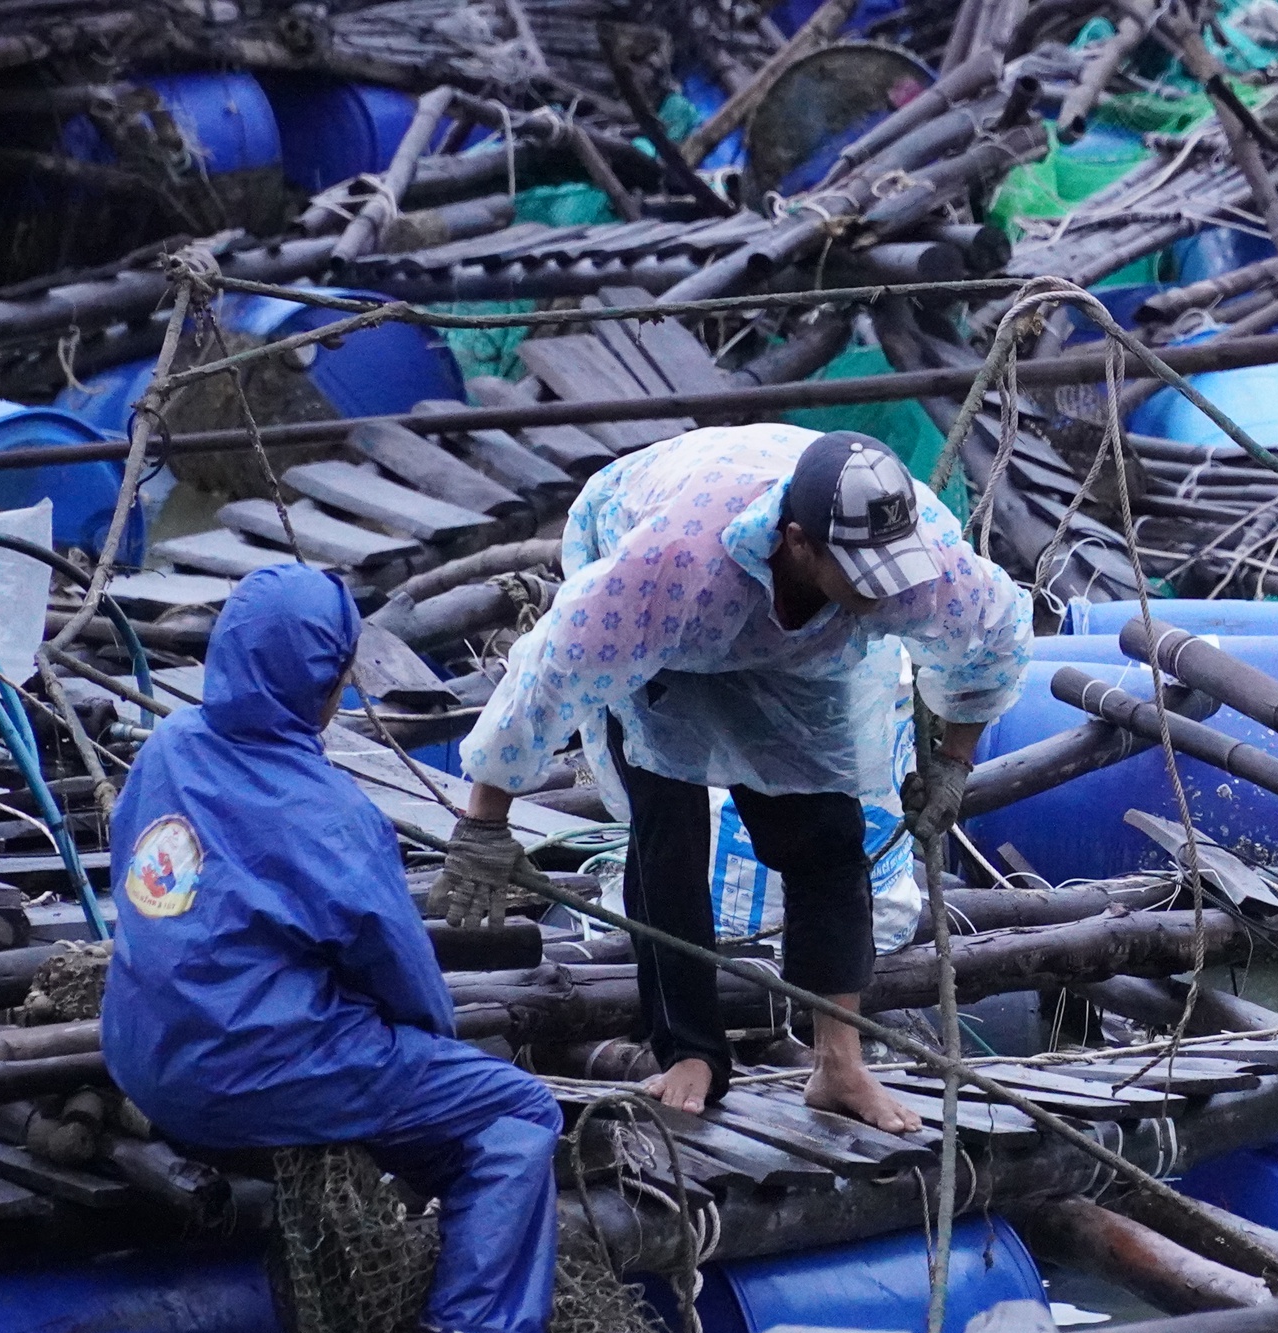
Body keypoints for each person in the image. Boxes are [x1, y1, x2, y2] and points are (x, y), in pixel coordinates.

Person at [429, 425, 1032, 1132]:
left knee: (827, 832)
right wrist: (486, 819)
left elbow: (994, 647)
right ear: (798, 541)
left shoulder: (922, 561)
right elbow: (551, 676)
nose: (886, 594)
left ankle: (838, 1062)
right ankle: (689, 1050)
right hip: (677, 615)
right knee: (668, 819)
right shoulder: (667, 567)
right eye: (866, 578)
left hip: (802, 654)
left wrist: (953, 765)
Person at [102, 563, 561, 1333]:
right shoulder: (333, 813)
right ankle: (467, 1332)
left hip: (141, 1054)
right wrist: (437, 1053)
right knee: (518, 1109)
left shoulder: (167, 748)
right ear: (329, 685)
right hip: (250, 1075)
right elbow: (403, 975)